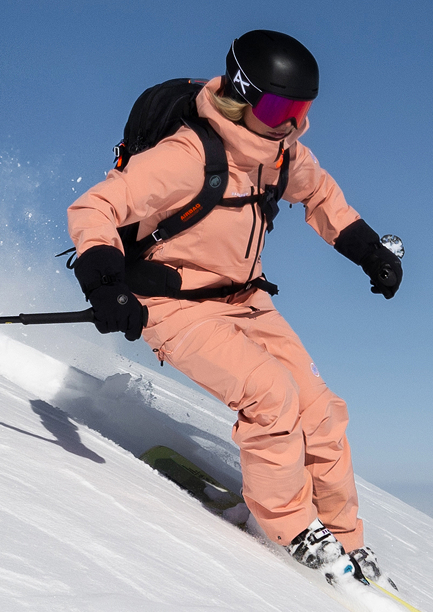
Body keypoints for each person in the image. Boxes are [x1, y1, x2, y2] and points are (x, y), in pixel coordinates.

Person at [66, 30, 404, 584]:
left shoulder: (281, 155)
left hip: (245, 299)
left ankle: (346, 540)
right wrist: (105, 285)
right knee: (271, 395)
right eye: (278, 107)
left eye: (301, 109)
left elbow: (321, 196)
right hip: (175, 305)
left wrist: (368, 251)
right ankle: (295, 532)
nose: (291, 123)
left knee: (320, 409)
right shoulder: (187, 156)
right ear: (243, 95)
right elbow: (98, 205)